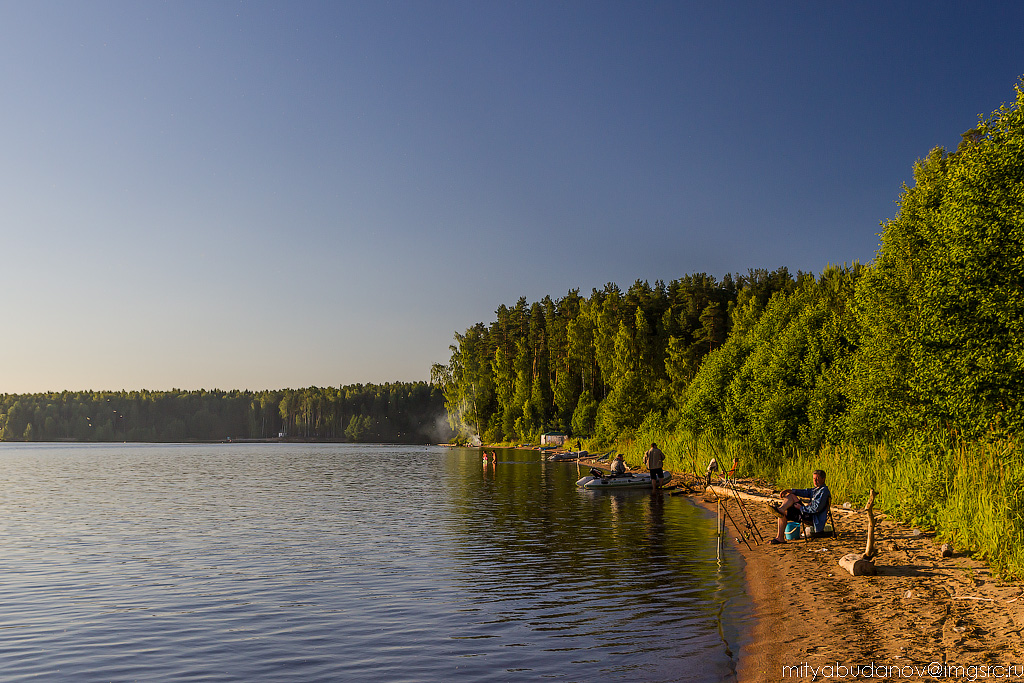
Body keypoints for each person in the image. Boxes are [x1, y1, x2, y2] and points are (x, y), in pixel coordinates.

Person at [768, 469, 831, 544]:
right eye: (814, 479)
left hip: (813, 517)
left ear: (823, 479)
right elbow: (806, 492)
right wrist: (791, 490)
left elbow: (816, 508)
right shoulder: (816, 489)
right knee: (791, 496)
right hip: (808, 512)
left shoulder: (823, 491)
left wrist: (801, 508)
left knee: (784, 512)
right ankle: (781, 510)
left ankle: (780, 537)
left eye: (817, 479)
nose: (815, 481)